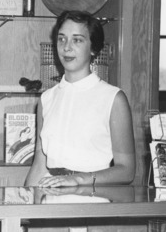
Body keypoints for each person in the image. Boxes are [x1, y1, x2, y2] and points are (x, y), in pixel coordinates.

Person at [25, 10, 135, 187]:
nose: (67, 47)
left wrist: (78, 179)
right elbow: (39, 165)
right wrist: (26, 208)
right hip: (51, 202)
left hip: (93, 202)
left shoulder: (113, 99)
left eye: (77, 40)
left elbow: (127, 170)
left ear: (93, 48)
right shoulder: (46, 99)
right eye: (61, 39)